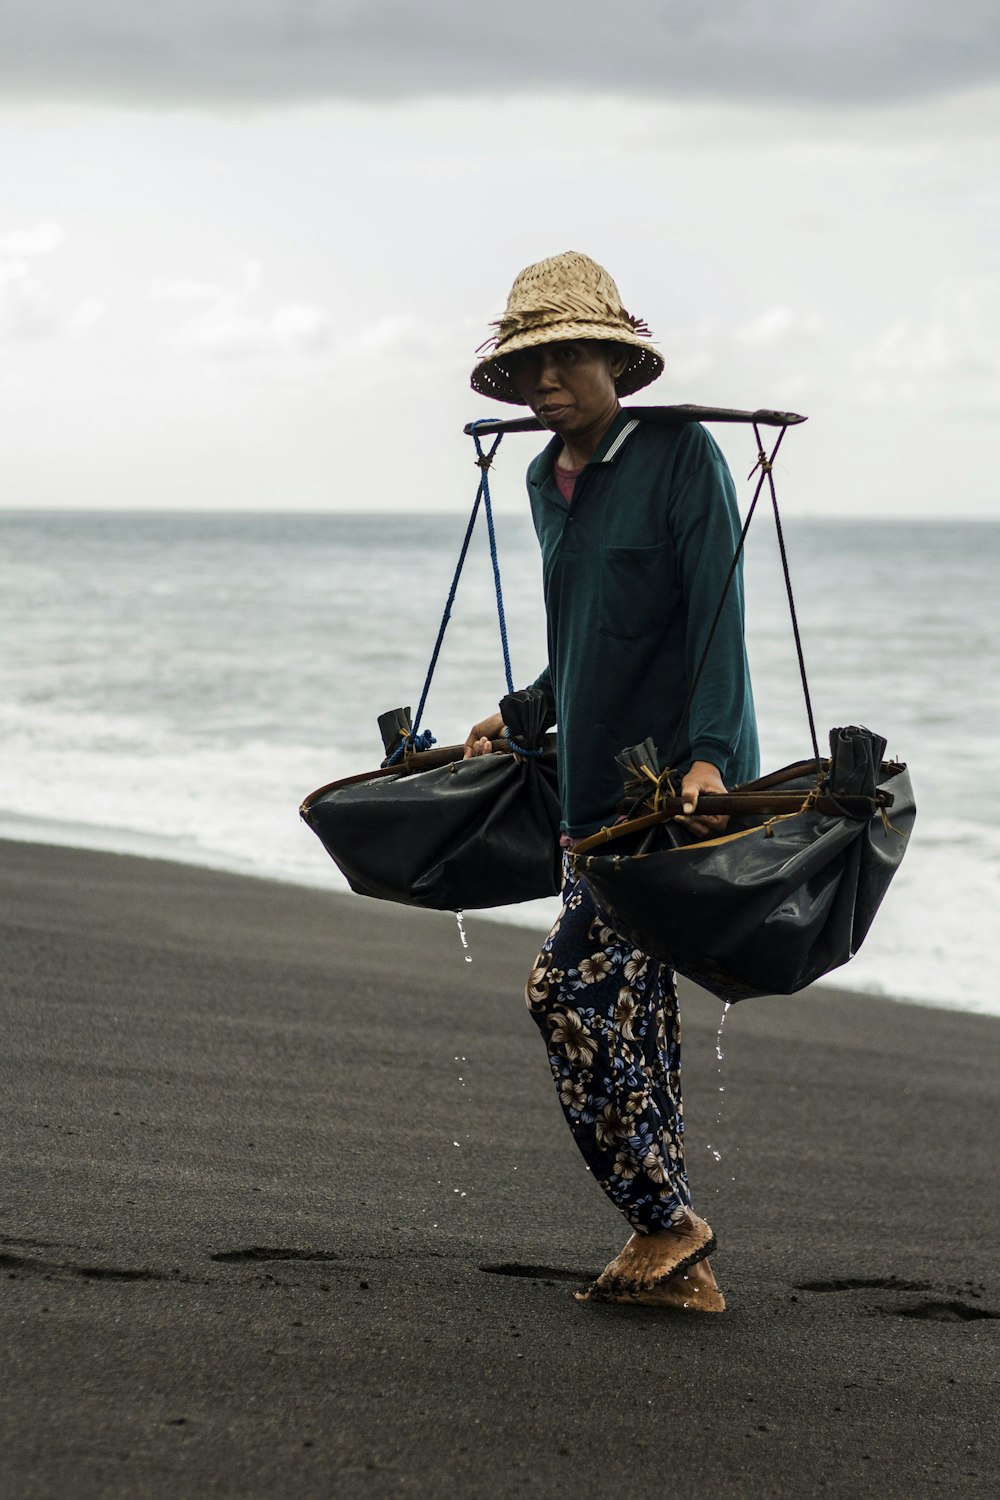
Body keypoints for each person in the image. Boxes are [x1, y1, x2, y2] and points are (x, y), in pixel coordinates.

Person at [464, 251, 759, 1311]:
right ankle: (687, 1275)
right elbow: (590, 624)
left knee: (564, 990)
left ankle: (665, 1221)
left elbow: (714, 616)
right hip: (587, 793)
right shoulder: (547, 482)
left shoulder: (679, 458)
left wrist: (714, 755)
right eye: (530, 361)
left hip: (672, 796)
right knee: (635, 1019)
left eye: (568, 354)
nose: (547, 379)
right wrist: (529, 706)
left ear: (615, 361)